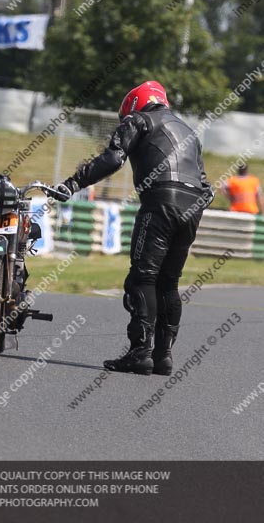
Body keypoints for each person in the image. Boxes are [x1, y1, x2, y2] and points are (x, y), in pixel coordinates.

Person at [56, 80, 214, 376]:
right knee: (169, 282)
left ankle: (140, 353)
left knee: (141, 278)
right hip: (192, 206)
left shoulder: (138, 119)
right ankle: (163, 356)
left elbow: (113, 158)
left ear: (133, 103)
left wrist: (74, 182)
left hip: (160, 201)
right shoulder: (189, 131)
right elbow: (207, 186)